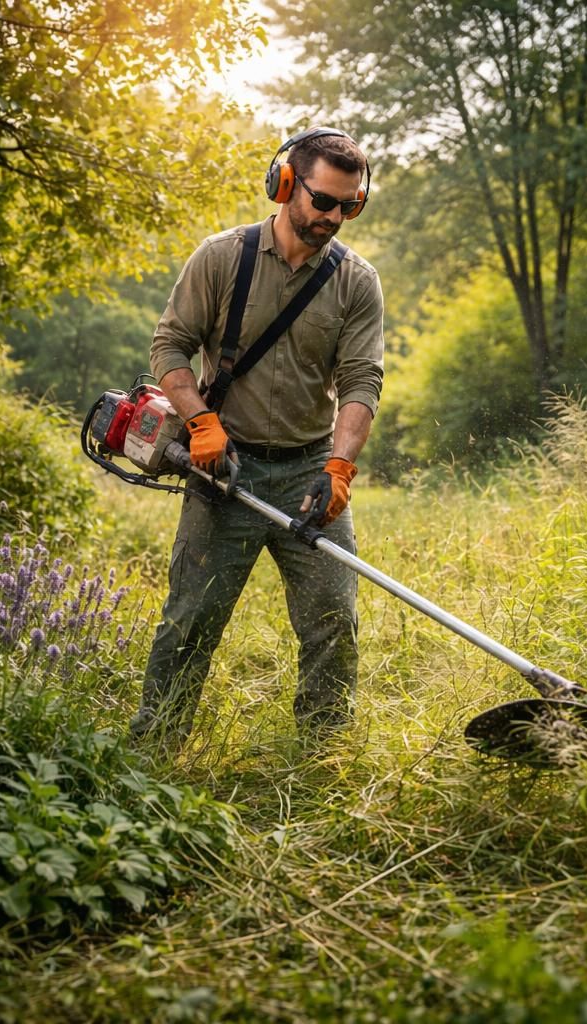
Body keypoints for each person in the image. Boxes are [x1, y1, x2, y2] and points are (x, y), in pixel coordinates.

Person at [130, 127, 384, 749]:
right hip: (225, 469)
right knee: (190, 621)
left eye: (348, 206)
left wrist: (341, 468)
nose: (334, 217)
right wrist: (202, 423)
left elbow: (361, 380)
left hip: (308, 471)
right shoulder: (221, 258)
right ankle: (153, 750)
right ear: (285, 184)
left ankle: (322, 754)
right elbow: (169, 348)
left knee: (333, 622)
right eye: (324, 201)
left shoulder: (356, 281)